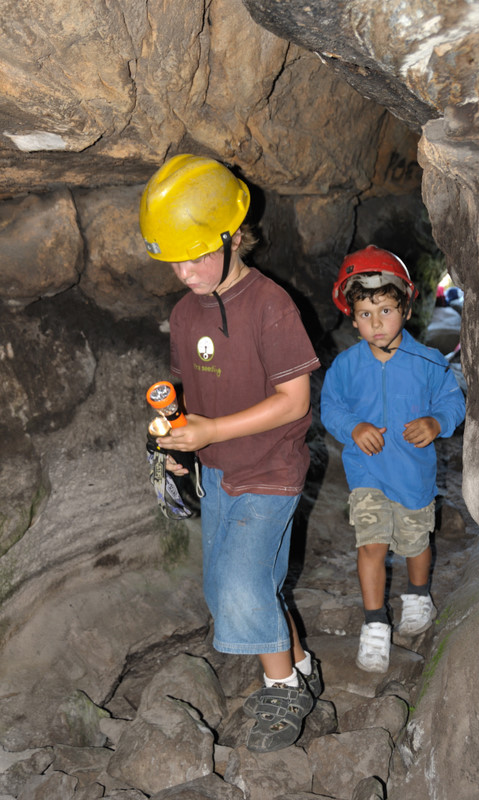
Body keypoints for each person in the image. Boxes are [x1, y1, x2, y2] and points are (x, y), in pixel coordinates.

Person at [139, 154, 322, 751]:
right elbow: (183, 392)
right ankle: (298, 668)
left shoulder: (271, 305)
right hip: (217, 474)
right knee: (228, 590)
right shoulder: (184, 311)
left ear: (232, 235)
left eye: (197, 255)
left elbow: (294, 400)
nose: (186, 272)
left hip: (270, 469)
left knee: (242, 586)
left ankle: (280, 691)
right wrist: (177, 444)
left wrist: (212, 431)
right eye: (175, 261)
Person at [321, 245, 466, 673]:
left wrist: (437, 423)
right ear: (352, 316)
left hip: (413, 476)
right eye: (365, 314)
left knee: (416, 543)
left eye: (385, 310)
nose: (376, 323)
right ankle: (374, 625)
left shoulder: (429, 362)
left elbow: (452, 402)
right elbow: (330, 406)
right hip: (367, 474)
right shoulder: (345, 366)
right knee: (371, 545)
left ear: (406, 304)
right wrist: (353, 428)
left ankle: (419, 595)